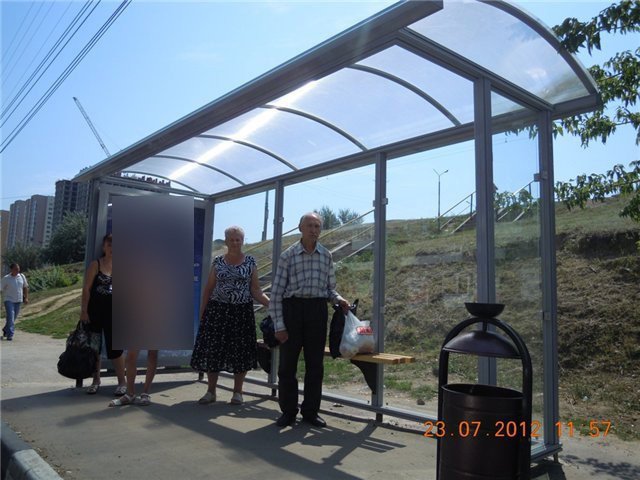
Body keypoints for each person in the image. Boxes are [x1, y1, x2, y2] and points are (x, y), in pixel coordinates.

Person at [269, 212, 350, 428]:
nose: (314, 230)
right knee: (287, 365)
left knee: (315, 365)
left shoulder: (326, 255)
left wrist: (339, 299)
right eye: (310, 226)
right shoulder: (288, 256)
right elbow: (276, 294)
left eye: (317, 226)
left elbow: (330, 288)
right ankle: (288, 412)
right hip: (293, 310)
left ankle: (310, 412)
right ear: (300, 228)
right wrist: (279, 325)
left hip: (317, 311)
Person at [190, 225, 269, 406]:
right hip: (217, 311)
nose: (235, 242)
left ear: (242, 241)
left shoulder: (250, 262)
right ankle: (211, 391)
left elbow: (256, 290)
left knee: (240, 352)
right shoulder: (218, 261)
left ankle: (237, 392)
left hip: (242, 312)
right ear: (226, 241)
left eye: (238, 239)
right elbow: (208, 289)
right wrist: (202, 313)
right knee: (214, 350)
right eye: (231, 239)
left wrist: (271, 304)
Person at [80, 234, 127, 396]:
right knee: (95, 348)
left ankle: (122, 382)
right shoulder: (96, 264)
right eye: (109, 245)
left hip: (114, 315)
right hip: (95, 313)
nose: (112, 248)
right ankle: (96, 381)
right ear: (104, 247)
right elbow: (86, 289)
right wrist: (84, 311)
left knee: (116, 349)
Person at [1, 263, 29, 341]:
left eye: (18, 269)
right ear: (11, 269)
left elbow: (25, 287)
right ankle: (10, 334)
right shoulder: (6, 278)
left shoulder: (22, 276)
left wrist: (26, 298)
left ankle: (6, 329)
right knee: (11, 316)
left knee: (13, 318)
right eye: (16, 269)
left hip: (18, 300)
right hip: (8, 300)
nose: (18, 270)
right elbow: (0, 288)